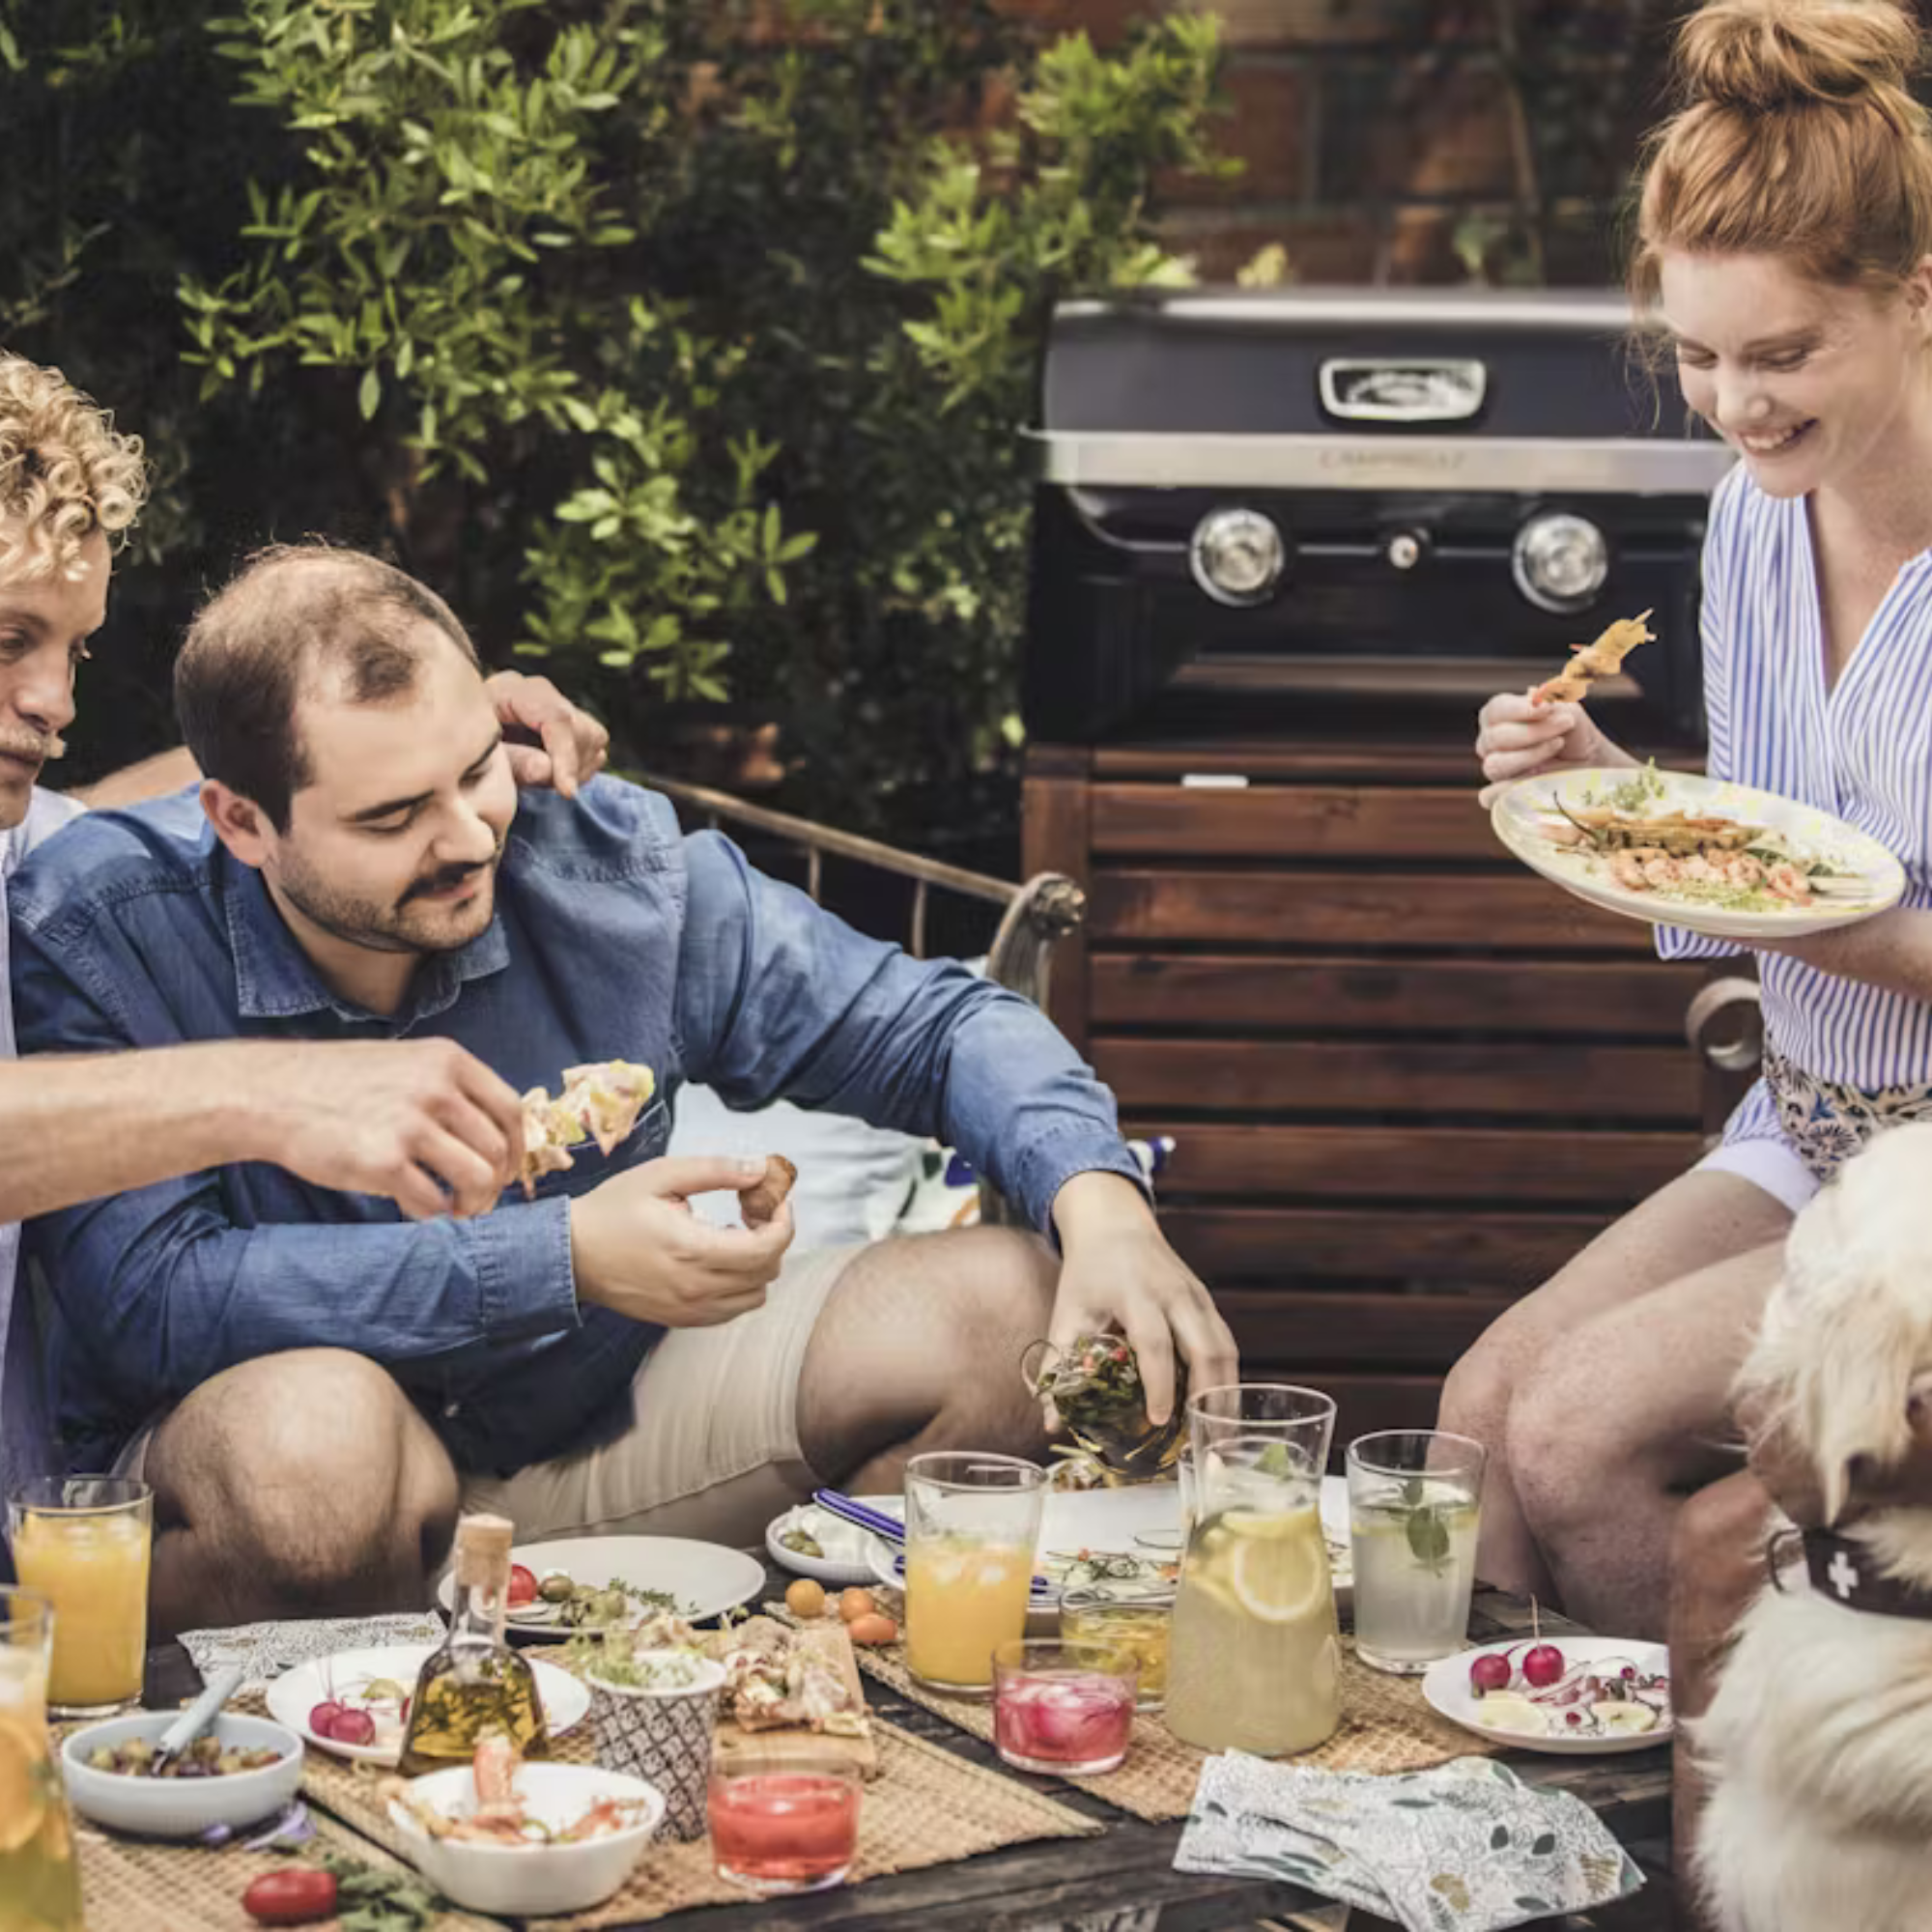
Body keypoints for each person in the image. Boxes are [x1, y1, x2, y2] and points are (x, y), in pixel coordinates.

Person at [12, 540, 1238, 1635]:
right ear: (241, 822)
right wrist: (562, 1258)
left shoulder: (602, 868)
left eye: (475, 770)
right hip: (285, 1488)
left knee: (1005, 1302)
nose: (470, 836)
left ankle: (776, 1672)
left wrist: (1101, 1199)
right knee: (312, 1458)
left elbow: (934, 1024)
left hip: (588, 1433)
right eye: (394, 815)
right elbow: (147, 1297)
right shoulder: (106, 924)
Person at [1445, 0, 1932, 1641]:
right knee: (1476, 1427)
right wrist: (1607, 787)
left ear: (1921, 297)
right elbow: (1770, 848)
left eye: (1783, 355)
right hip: (1814, 1125)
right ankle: (1488, 1835)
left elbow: (1829, 900)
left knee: (1577, 1438)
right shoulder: (1751, 515)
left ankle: (1759, 1846)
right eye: (1698, 356)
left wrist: (1853, 935)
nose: (1735, 404)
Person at [0, 351, 611, 1543]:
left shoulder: (24, 852)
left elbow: (191, 794)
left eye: (72, 649)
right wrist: (266, 1091)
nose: (53, 699)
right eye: (7, 636)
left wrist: (430, 730)